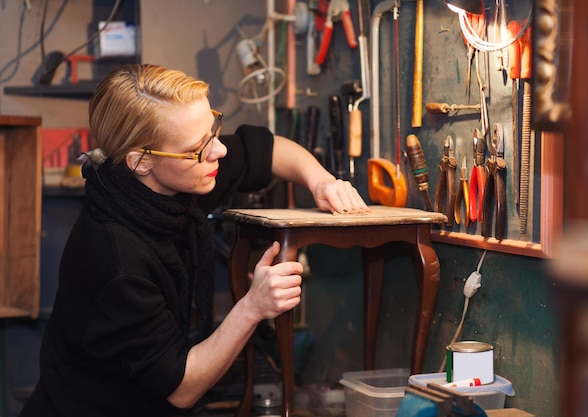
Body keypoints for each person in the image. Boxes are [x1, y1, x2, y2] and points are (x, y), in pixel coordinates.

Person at [19, 63, 369, 417]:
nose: (220, 151)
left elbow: (268, 150)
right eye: (199, 148)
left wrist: (321, 182)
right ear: (140, 161)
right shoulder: (116, 258)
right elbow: (181, 389)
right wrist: (252, 307)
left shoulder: (174, 178)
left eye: (213, 130)